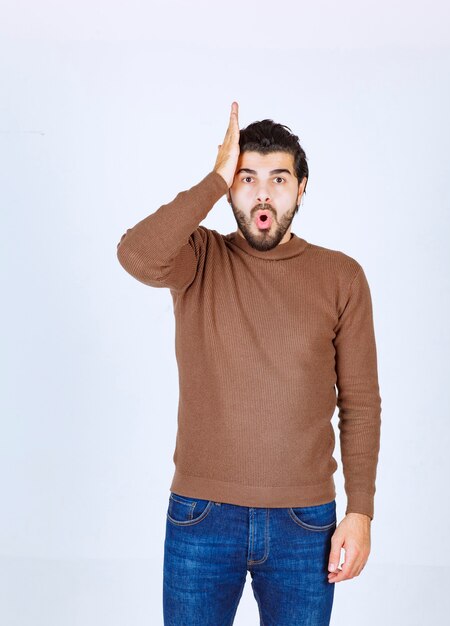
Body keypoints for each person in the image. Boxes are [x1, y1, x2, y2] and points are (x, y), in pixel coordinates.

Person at [116, 101, 382, 625]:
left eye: (278, 179)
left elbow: (360, 403)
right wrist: (214, 177)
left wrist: (361, 511)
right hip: (201, 514)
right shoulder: (198, 258)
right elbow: (136, 254)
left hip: (305, 524)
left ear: (301, 188)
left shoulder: (341, 276)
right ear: (231, 189)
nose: (263, 193)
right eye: (246, 178)